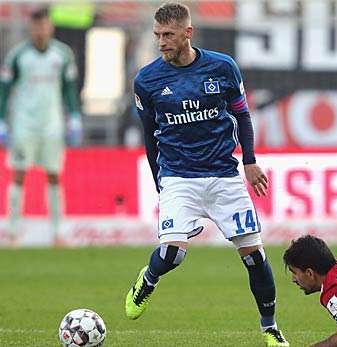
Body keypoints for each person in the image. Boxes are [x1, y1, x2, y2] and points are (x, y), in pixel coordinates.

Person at [124, 3, 288, 347]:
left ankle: (270, 328)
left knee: (255, 256)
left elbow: (242, 116)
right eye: (157, 36)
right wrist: (160, 181)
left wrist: (250, 161)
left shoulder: (223, 67)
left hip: (224, 176)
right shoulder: (147, 81)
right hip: (179, 178)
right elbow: (149, 136)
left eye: (168, 35)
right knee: (173, 253)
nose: (161, 42)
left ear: (188, 33)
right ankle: (148, 280)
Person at [0, 7, 82, 247]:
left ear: (50, 27)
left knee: (55, 175)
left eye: (44, 25)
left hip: (52, 123)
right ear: (30, 28)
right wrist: (2, 119)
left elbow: (69, 88)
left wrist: (74, 116)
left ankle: (58, 233)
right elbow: (5, 90)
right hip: (24, 122)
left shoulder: (62, 54)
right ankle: (13, 233)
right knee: (18, 174)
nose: (40, 30)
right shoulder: (17, 56)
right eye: (36, 26)